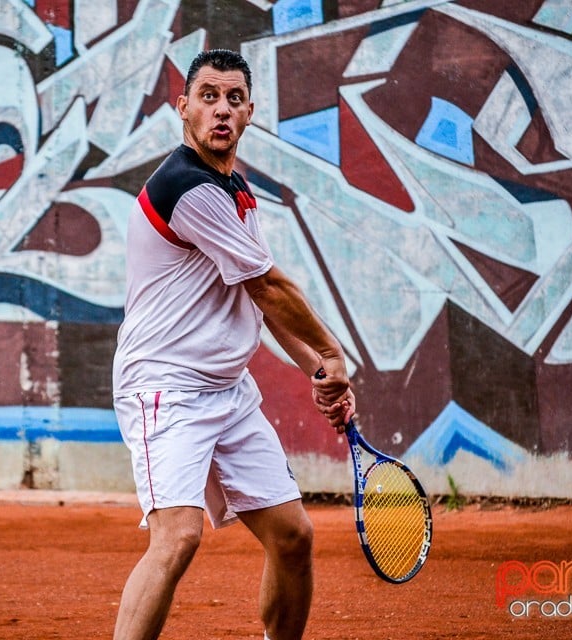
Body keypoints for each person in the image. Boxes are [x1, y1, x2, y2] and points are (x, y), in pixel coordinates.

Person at [111, 48, 355, 640]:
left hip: (227, 391)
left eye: (234, 99)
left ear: (250, 112)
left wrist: (317, 373)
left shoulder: (235, 189)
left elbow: (250, 295)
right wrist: (335, 354)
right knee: (178, 536)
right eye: (209, 97)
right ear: (184, 107)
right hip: (163, 388)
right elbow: (269, 286)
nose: (222, 109)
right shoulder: (185, 188)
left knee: (294, 537)